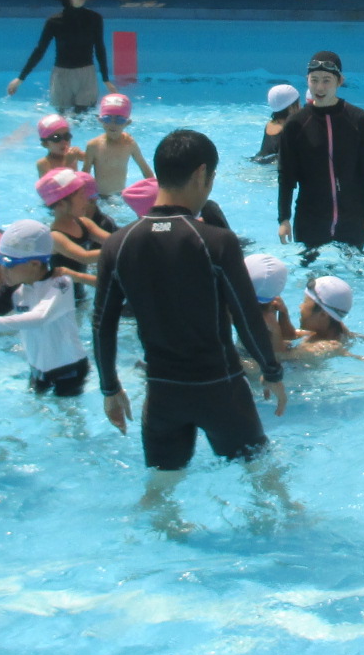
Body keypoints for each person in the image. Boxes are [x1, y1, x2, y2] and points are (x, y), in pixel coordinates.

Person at [94, 129, 287, 478]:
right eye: (211, 178)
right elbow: (246, 315)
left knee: (161, 489)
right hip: (221, 389)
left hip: (162, 395)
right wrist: (271, 370)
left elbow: (102, 323)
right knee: (263, 479)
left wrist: (110, 388)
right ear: (201, 174)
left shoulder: (118, 244)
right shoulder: (216, 242)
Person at [0, 219, 90, 397]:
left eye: (8, 263)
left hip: (69, 370)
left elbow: (40, 317)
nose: (2, 269)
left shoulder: (61, 283)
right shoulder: (14, 287)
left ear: (34, 264)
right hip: (37, 370)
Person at [276, 51, 364, 253]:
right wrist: (284, 218)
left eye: (326, 80)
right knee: (311, 280)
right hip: (310, 219)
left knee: (355, 277)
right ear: (307, 80)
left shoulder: (358, 119)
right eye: (314, 80)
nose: (319, 87)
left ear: (340, 81)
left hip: (352, 217)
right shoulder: (296, 124)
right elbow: (286, 176)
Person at [8, 0, 109, 113]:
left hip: (87, 74)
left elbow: (99, 48)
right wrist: (20, 79)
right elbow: (40, 50)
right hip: (61, 75)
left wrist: (106, 79)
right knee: (62, 121)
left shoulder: (95, 18)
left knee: (83, 117)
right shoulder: (54, 21)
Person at [82, 94, 149, 198]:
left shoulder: (129, 143)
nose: (113, 124)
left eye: (119, 120)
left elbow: (145, 170)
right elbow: (84, 177)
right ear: (100, 120)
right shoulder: (93, 146)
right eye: (108, 119)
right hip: (101, 197)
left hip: (120, 197)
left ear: (127, 122)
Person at [257, 84, 300, 163]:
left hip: (259, 160)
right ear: (291, 108)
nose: (300, 107)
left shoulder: (269, 124)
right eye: (298, 103)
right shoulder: (290, 129)